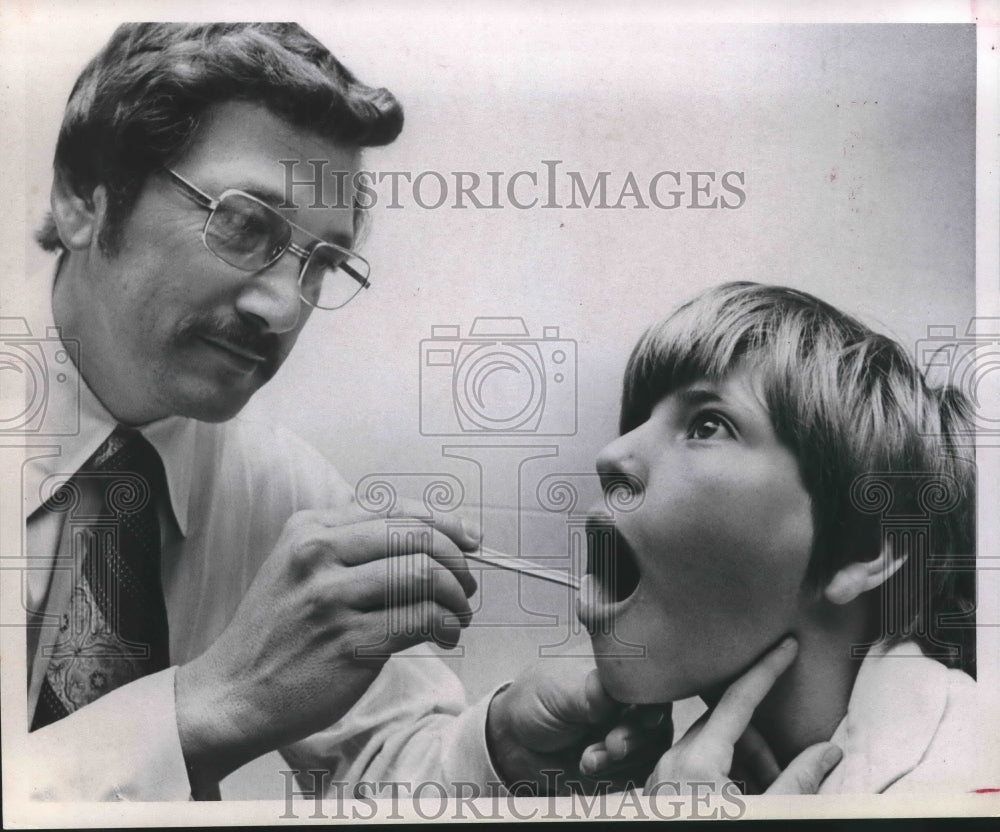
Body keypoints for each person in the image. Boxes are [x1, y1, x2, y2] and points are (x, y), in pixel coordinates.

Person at [16, 21, 680, 802]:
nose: (278, 306)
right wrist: (210, 706)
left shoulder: (276, 487)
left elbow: (388, 755)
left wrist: (503, 745)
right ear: (81, 198)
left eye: (320, 263)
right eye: (242, 224)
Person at [575, 282, 989, 794]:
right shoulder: (679, 784)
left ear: (864, 546)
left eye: (707, 425)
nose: (612, 454)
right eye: (640, 420)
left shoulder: (973, 777)